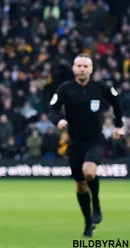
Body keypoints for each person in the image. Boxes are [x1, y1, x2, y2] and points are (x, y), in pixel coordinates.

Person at [49, 54, 124, 238]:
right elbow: (52, 109)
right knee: (80, 185)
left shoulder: (100, 88)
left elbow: (117, 103)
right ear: (74, 68)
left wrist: (119, 125)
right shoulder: (65, 89)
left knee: (89, 171)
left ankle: (96, 202)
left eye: (85, 66)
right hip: (74, 143)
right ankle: (88, 222)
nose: (82, 69)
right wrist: (58, 121)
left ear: (91, 70)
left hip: (95, 140)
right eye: (79, 65)